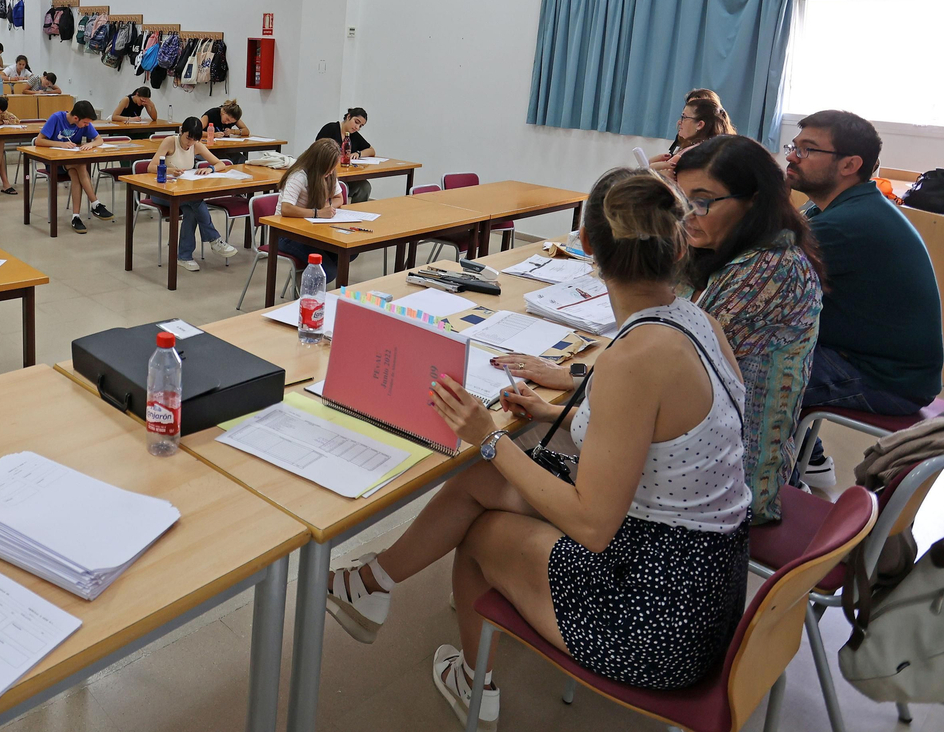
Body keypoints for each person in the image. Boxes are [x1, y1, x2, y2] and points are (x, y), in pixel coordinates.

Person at [327, 169, 751, 725]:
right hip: (705, 574)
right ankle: (373, 584)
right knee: (480, 483)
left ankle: (474, 683)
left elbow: (593, 525)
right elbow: (659, 435)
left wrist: (489, 439)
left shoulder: (635, 358)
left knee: (480, 531)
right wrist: (554, 413)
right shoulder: (696, 320)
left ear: (586, 245)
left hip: (660, 614)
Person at [500, 136, 823, 524]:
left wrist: (574, 383)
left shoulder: (769, 270)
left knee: (509, 453)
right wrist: (574, 380)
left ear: (753, 200)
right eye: (679, 203)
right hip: (687, 453)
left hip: (729, 483)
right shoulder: (718, 253)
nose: (686, 217)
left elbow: (658, 367)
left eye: (701, 201)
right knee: (527, 432)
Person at [786, 110, 944, 488]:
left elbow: (753, 271)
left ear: (850, 164)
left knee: (740, 374)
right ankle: (810, 457)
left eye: (807, 149)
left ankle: (784, 482)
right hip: (866, 359)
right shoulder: (835, 207)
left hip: (886, 380)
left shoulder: (845, 224)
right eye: (795, 146)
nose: (792, 156)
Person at [152, 117, 239, 271]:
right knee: (195, 202)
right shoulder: (170, 141)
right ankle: (214, 239)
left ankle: (184, 257)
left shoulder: (196, 145)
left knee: (191, 209)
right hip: (162, 192)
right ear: (181, 132)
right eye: (187, 138)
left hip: (184, 194)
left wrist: (210, 169)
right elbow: (151, 167)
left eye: (194, 140)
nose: (189, 143)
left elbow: (220, 164)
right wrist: (171, 170)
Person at [34, 100, 113, 234]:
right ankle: (95, 204)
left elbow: (99, 140)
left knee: (77, 173)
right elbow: (38, 141)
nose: (86, 125)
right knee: (80, 165)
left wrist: (91, 145)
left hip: (72, 162)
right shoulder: (56, 118)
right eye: (85, 123)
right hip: (54, 163)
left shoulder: (84, 122)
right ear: (76, 118)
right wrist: (60, 144)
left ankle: (76, 217)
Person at [276, 139, 344, 280]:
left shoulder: (329, 174)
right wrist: (317, 213)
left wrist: (327, 207)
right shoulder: (299, 176)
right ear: (319, 164)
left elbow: (339, 198)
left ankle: (308, 275)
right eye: (329, 167)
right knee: (329, 272)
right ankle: (306, 284)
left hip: (312, 229)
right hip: (287, 234)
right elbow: (286, 208)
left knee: (346, 252)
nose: (331, 172)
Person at [650, 93, 732, 177]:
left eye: (684, 117)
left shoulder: (694, 153)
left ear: (700, 125)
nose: (679, 122)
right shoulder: (708, 148)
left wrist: (650, 175)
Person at [319, 107, 376, 202]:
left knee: (364, 186)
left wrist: (359, 153)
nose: (357, 127)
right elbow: (318, 150)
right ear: (349, 117)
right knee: (342, 187)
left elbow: (371, 150)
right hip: (327, 175)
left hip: (346, 175)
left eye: (361, 126)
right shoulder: (330, 128)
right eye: (356, 122)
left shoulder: (353, 135)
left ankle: (357, 214)